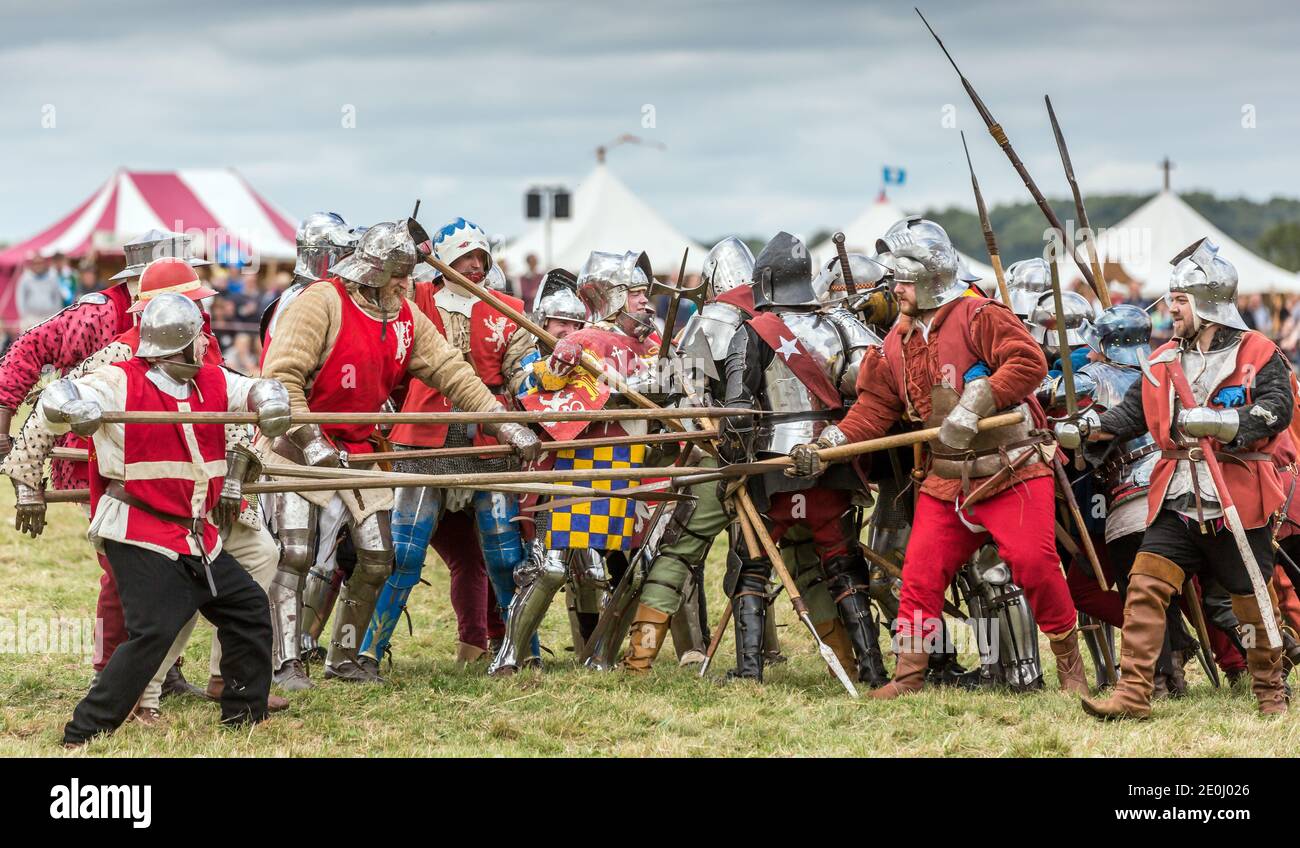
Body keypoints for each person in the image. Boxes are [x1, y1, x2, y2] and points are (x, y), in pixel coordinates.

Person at [790, 219, 1087, 699]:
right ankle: (908, 677)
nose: (896, 290)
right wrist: (832, 441)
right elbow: (875, 407)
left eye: (904, 281)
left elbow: (1028, 361)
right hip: (947, 478)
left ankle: (1070, 666)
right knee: (920, 575)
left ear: (930, 278)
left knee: (1033, 563)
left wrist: (979, 401)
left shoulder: (979, 315)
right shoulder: (896, 342)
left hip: (1010, 467)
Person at [259, 220, 537, 685]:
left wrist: (505, 422)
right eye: (398, 276)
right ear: (374, 271)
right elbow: (280, 379)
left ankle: (344, 657)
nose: (406, 284)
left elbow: (451, 370)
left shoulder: (403, 315)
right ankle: (284, 660)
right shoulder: (320, 303)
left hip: (360, 452)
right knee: (295, 554)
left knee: (377, 556)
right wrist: (311, 441)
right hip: (296, 447)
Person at [14, 293, 292, 746]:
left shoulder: (211, 380)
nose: (206, 342)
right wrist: (76, 407)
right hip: (139, 529)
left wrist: (270, 398)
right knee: (154, 630)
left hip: (196, 536)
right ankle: (85, 730)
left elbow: (255, 386)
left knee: (247, 610)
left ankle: (245, 714)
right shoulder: (120, 380)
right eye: (199, 336)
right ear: (181, 342)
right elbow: (59, 394)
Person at [1059, 239, 1292, 719]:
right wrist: (1087, 427)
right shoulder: (1164, 358)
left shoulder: (1258, 351)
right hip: (1179, 495)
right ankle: (1134, 694)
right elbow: (1131, 414)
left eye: (1180, 299)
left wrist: (1224, 424)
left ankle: (1270, 692)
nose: (1171, 308)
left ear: (1208, 301)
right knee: (1144, 584)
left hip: (1237, 497)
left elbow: (1277, 410)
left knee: (1252, 603)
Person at [358, 217, 536, 667]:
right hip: (423, 439)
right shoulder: (413, 300)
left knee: (503, 557)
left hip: (487, 439)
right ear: (444, 262)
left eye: (480, 257)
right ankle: (367, 654)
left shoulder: (508, 309)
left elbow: (524, 374)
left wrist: (546, 374)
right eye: (464, 258)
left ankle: (520, 653)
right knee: (404, 556)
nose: (473, 267)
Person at [717, 232, 886, 685]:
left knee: (750, 565)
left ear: (765, 281)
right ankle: (872, 670)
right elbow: (874, 387)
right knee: (845, 567)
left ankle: (750, 672)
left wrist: (731, 470)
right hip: (832, 459)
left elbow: (735, 413)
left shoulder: (752, 331)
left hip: (773, 467)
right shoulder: (841, 325)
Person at [489, 249, 661, 677]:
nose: (645, 302)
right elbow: (531, 385)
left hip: (628, 469)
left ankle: (598, 656)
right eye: (637, 294)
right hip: (578, 468)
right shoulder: (582, 342)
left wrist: (655, 380)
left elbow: (672, 388)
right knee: (548, 569)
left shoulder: (650, 343)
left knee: (626, 573)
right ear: (614, 295)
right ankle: (508, 656)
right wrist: (556, 365)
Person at [16, 251, 66, 329]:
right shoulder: (25, 278)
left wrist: (56, 315)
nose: (38, 265)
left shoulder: (52, 277)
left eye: (40, 263)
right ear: (32, 264)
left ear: (44, 263)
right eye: (36, 263)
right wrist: (24, 316)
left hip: (49, 317)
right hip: (31, 319)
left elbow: (57, 296)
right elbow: (20, 298)